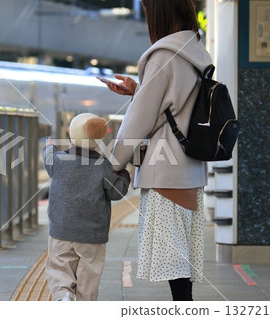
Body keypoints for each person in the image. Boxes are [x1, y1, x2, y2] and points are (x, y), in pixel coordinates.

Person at [106, 0, 212, 301]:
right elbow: (177, 106)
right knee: (180, 262)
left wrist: (115, 163)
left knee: (174, 264)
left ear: (160, 13)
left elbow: (138, 121)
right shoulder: (196, 51)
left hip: (165, 173)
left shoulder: (163, 56)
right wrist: (139, 90)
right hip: (190, 169)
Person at [43, 113, 131, 301]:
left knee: (59, 270)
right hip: (92, 236)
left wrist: (49, 146)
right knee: (88, 280)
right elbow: (117, 192)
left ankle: (64, 296)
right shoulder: (103, 166)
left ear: (71, 137)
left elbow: (48, 156)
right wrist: (123, 174)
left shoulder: (58, 161)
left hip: (61, 232)